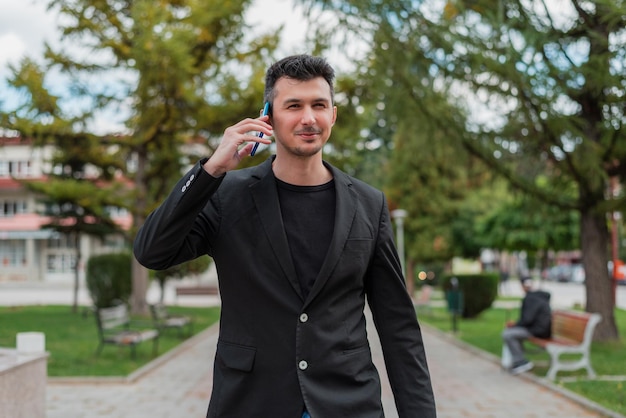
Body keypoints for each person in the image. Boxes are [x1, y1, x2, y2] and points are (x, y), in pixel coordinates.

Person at [133, 54, 436, 417]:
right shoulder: (226, 195)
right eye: (293, 105)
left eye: (319, 105)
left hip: (348, 403)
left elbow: (398, 325)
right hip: (250, 402)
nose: (308, 118)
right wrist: (211, 170)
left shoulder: (369, 204)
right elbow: (152, 251)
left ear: (333, 116)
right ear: (269, 116)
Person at [502, 277, 552, 375]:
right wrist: (516, 325)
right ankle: (519, 361)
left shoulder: (529, 299)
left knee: (508, 334)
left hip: (537, 331)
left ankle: (521, 361)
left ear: (522, 286)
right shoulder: (538, 296)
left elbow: (527, 319)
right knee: (512, 333)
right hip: (543, 330)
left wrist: (515, 325)